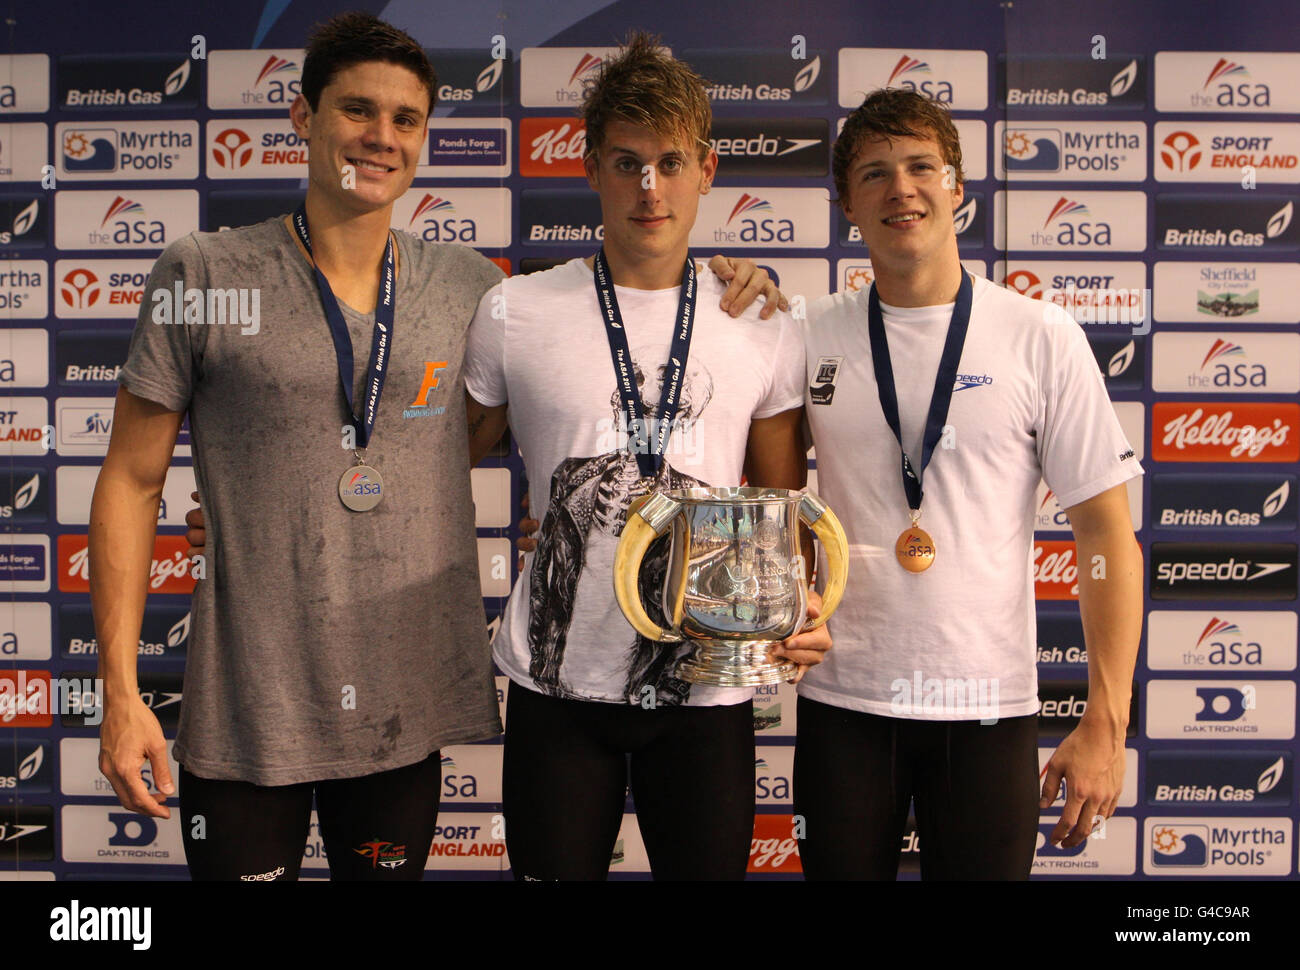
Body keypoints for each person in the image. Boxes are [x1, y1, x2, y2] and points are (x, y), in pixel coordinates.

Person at [112, 15, 781, 881]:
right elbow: (131, 480)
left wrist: (591, 522)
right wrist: (126, 689)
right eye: (357, 110)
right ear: (302, 116)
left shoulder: (471, 289)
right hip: (249, 709)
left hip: (403, 709)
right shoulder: (200, 278)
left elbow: (449, 448)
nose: (381, 138)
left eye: (406, 119)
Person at [462, 33, 831, 881]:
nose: (648, 188)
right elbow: (436, 461)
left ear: (706, 169)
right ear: (590, 167)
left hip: (707, 686)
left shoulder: (763, 321)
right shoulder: (515, 310)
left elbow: (782, 502)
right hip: (558, 685)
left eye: (669, 162)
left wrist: (801, 599)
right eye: (626, 163)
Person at [793, 88, 1143, 879]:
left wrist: (1106, 721)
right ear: (846, 203)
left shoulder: (1041, 336)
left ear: (959, 188)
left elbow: (1105, 536)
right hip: (846, 705)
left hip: (988, 711)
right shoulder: (805, 332)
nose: (901, 189)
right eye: (875, 173)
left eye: (922, 166)